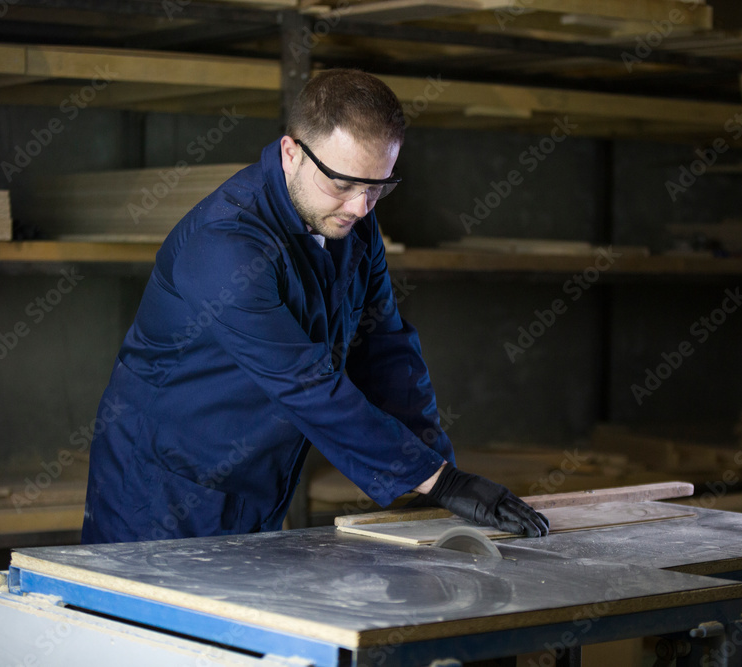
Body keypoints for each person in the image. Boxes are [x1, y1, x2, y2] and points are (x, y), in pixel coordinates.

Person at [80, 68, 549, 544]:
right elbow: (305, 384)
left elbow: (385, 350)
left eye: (377, 187)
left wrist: (438, 476)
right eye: (343, 184)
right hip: (160, 488)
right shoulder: (224, 243)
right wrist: (439, 482)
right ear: (291, 153)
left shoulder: (354, 228)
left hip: (255, 481)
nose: (360, 207)